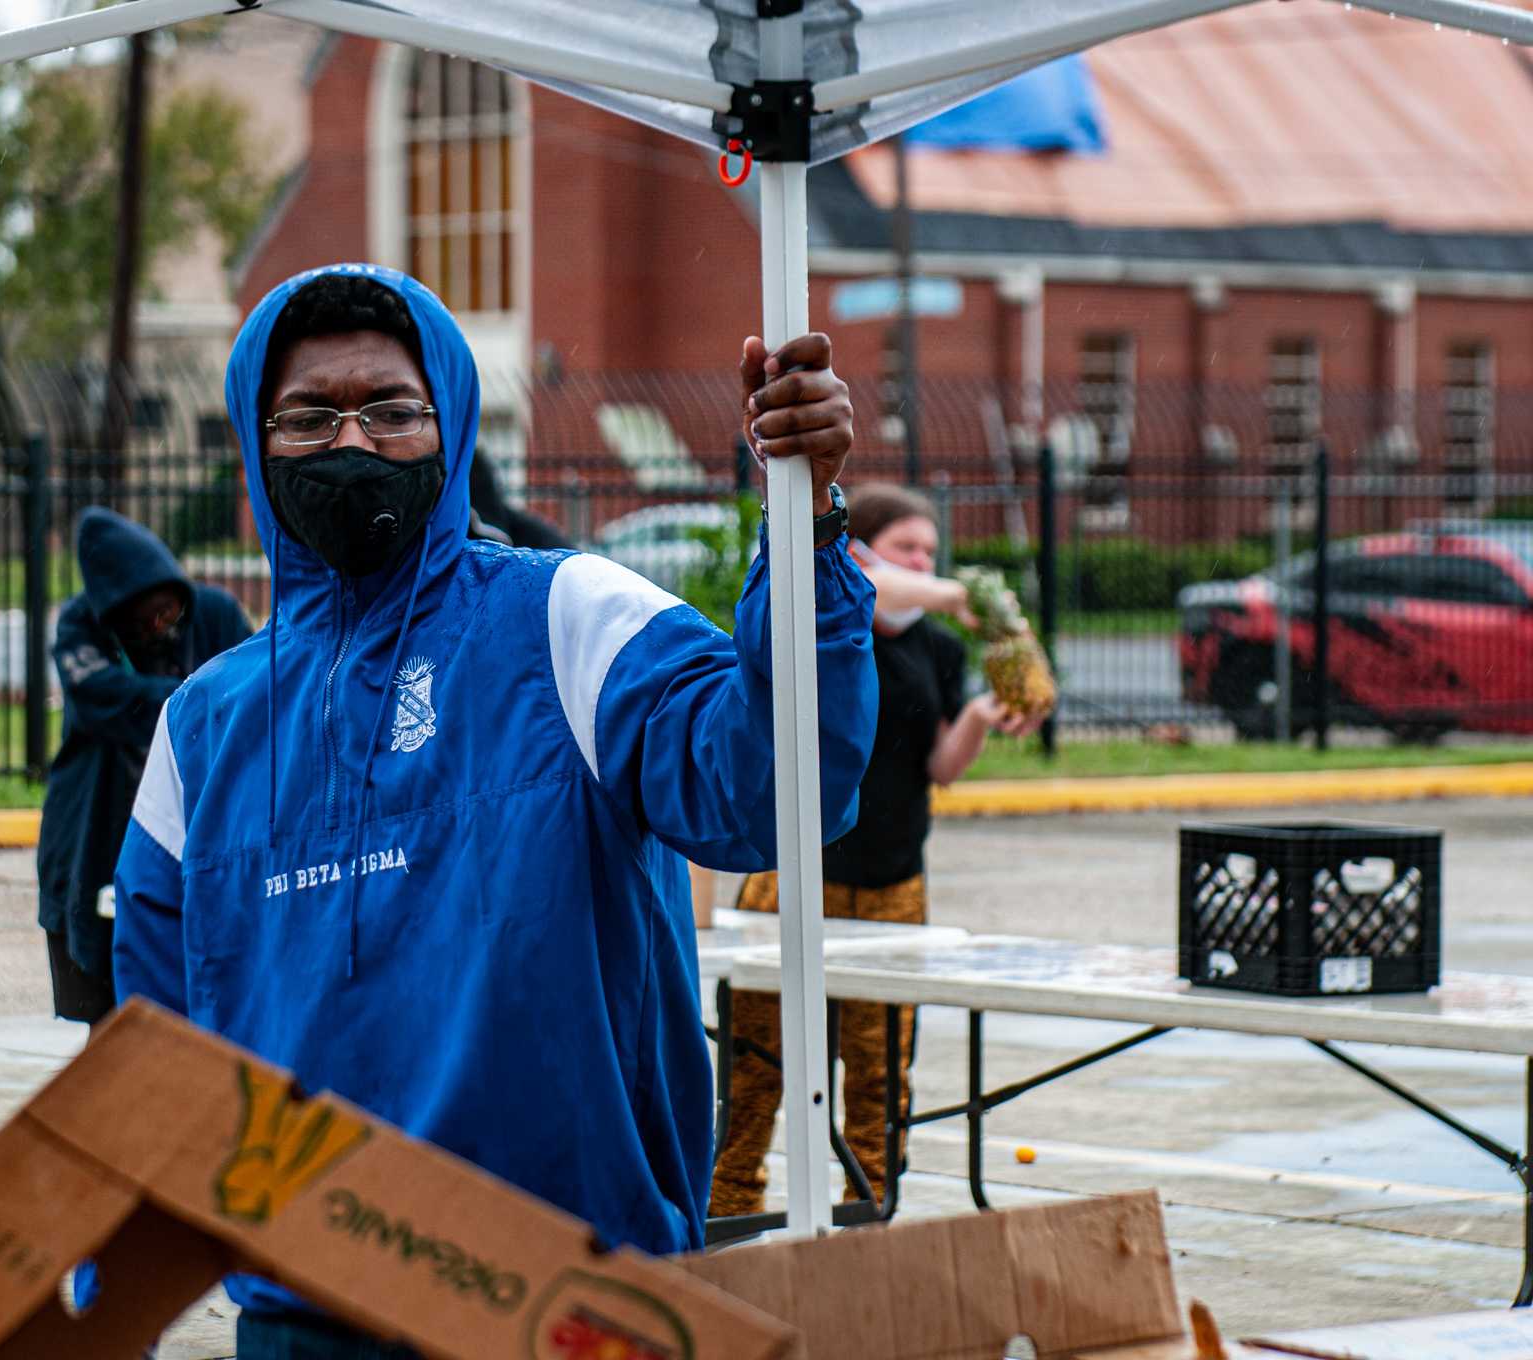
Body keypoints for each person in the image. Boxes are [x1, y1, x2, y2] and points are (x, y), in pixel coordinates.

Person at [111, 263, 877, 1358]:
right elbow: (153, 1064)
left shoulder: (568, 619)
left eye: (391, 409)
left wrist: (803, 526)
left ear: (452, 422)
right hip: (305, 1316)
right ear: (254, 437)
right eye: (309, 416)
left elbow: (771, 792)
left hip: (576, 1305)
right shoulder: (201, 728)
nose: (353, 443)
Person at [708, 483, 1043, 1217]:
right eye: (906, 548)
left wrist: (984, 716)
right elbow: (866, 585)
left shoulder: (938, 649)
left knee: (878, 1070)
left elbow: (940, 769)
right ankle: (729, 1206)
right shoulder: (824, 615)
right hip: (799, 879)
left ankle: (870, 1209)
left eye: (931, 549)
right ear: (858, 550)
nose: (922, 562)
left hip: (894, 885)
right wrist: (968, 592)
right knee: (759, 1064)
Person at [36, 506, 252, 1029]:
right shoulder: (82, 627)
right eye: (147, 618)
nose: (162, 625)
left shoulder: (216, 615)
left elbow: (255, 701)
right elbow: (103, 700)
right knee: (112, 1025)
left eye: (170, 611)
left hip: (196, 844)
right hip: (91, 842)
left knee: (192, 1011)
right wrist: (199, 706)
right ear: (118, 614)